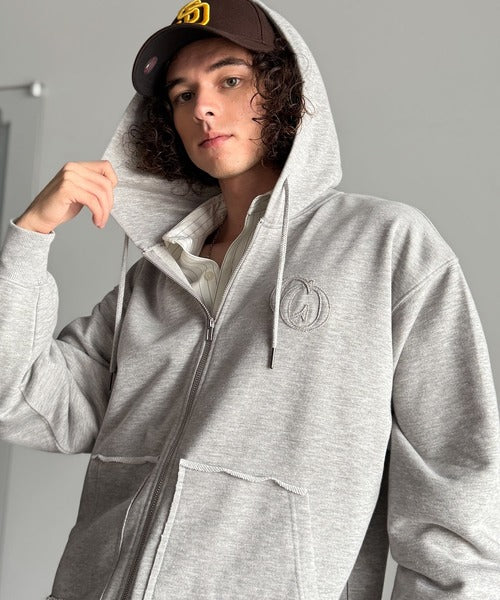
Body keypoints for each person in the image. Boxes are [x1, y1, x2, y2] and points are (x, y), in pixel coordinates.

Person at [0, 0, 499, 598]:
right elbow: (17, 400)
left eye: (230, 80)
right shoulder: (153, 283)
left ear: (284, 88)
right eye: (182, 95)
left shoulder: (386, 246)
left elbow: (454, 479)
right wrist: (30, 236)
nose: (202, 108)